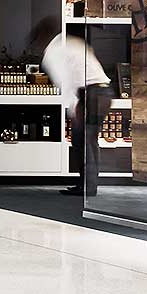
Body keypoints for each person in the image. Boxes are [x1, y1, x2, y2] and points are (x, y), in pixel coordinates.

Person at [42, 21, 109, 197]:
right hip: (104, 91)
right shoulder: (72, 42)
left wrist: (73, 109)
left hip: (90, 94)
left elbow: (65, 81)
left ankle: (86, 187)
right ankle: (89, 185)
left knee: (81, 142)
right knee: (90, 141)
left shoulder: (52, 52)